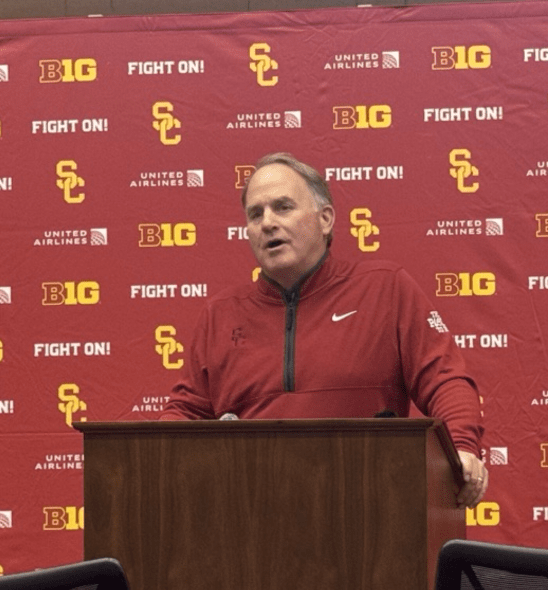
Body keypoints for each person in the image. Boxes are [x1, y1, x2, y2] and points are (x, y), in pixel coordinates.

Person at [159, 152, 488, 506]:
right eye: (255, 214)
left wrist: (462, 448)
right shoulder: (220, 314)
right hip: (249, 513)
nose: (267, 223)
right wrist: (152, 460)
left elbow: (445, 380)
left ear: (326, 219)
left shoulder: (386, 289)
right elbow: (184, 413)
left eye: (283, 207)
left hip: (366, 508)